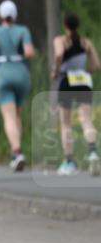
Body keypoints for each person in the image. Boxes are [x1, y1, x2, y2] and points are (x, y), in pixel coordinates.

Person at [0, 0, 34, 171]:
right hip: (21, 73)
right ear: (15, 15)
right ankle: (18, 149)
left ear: (0, 15)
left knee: (8, 116)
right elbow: (29, 52)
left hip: (3, 72)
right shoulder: (23, 30)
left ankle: (16, 151)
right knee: (17, 116)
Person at [52, 13, 100, 176]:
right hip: (83, 81)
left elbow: (59, 54)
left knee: (66, 123)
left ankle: (69, 161)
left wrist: (56, 71)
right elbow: (97, 65)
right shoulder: (86, 42)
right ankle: (93, 152)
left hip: (67, 80)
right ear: (78, 25)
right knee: (86, 119)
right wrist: (86, 71)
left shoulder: (60, 41)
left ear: (65, 25)